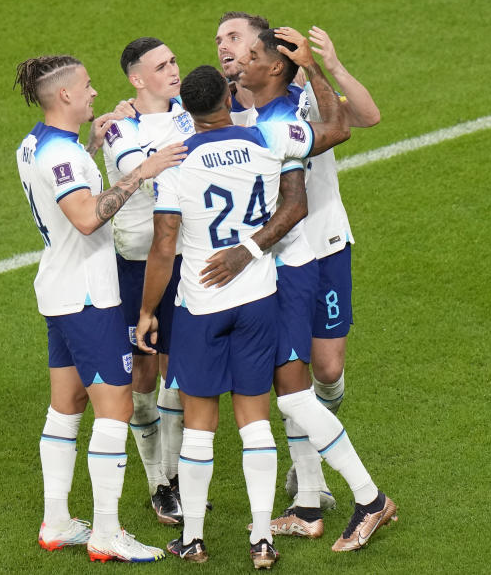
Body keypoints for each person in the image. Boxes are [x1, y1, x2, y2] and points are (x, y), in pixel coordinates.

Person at [134, 34, 350, 567]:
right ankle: (261, 538)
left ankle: (194, 537)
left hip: (201, 305)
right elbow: (338, 129)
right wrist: (315, 71)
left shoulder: (177, 165)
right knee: (255, 420)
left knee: (201, 421)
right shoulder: (265, 139)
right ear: (229, 100)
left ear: (188, 108)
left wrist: (145, 311)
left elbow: (164, 245)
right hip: (258, 297)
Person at [204, 26, 398, 551]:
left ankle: (364, 498)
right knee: (291, 384)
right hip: (277, 264)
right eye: (221, 40)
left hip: (306, 251)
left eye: (240, 41)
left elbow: (354, 123)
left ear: (268, 59)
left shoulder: (288, 109)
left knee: (314, 378)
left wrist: (324, 65)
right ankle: (310, 501)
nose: (229, 49)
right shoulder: (221, 108)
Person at [13, 54, 185, 563]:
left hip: (58, 290)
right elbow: (88, 218)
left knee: (66, 407)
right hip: (89, 296)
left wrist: (91, 149)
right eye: (86, 87)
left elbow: (69, 176)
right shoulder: (59, 158)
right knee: (117, 409)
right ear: (63, 95)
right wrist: (143, 172)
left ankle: (57, 521)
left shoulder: (35, 144)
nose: (93, 94)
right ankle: (107, 532)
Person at [101, 37, 194, 525]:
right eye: (161, 66)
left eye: (175, 61)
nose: (174, 70)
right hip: (137, 264)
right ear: (137, 79)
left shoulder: (188, 109)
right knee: (142, 374)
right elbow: (135, 171)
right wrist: (159, 159)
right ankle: (155, 478)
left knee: (178, 373)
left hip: (187, 260)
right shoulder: (122, 128)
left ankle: (170, 479)